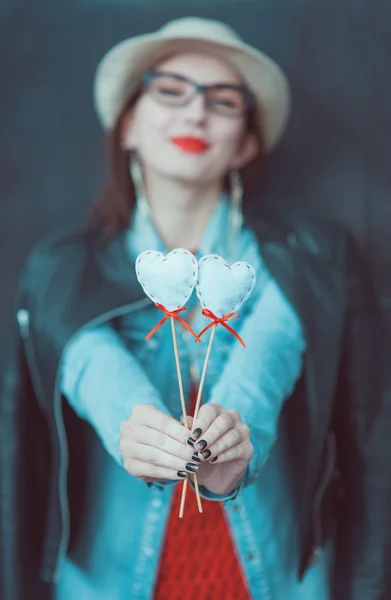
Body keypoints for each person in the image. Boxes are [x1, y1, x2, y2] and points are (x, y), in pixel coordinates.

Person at [1, 15, 390, 600]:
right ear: (129, 123)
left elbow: (278, 356)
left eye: (224, 101)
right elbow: (92, 369)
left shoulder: (311, 262)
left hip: (280, 583)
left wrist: (236, 439)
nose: (196, 112)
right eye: (170, 90)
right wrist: (131, 427)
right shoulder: (60, 270)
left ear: (249, 142)